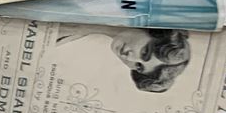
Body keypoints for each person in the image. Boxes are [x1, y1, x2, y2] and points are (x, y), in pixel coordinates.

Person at [58, 26, 192, 92]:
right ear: (153, 31)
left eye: (139, 66)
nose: (131, 58)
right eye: (145, 52)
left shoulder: (72, 41)